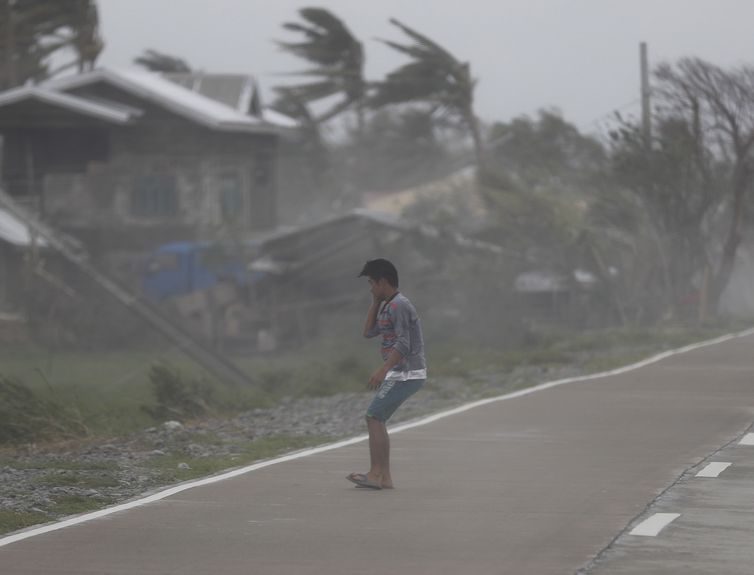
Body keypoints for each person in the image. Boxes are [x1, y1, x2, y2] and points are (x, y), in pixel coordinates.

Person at [347, 258, 427, 490]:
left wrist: (383, 370)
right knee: (377, 418)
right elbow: (368, 332)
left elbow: (404, 342)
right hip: (400, 372)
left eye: (372, 283)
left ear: (383, 282)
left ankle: (375, 474)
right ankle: (384, 477)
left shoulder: (399, 305)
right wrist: (374, 301)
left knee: (373, 416)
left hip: (406, 373)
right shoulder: (387, 305)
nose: (370, 288)